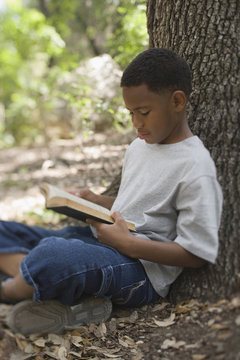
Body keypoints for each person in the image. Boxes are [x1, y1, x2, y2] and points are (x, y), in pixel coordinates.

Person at [0, 48, 223, 335]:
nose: (136, 123)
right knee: (14, 234)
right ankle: (54, 292)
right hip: (102, 243)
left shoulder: (195, 167)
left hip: (139, 270)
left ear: (177, 101)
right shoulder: (140, 146)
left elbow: (197, 252)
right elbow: (138, 202)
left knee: (53, 255)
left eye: (144, 113)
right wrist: (95, 201)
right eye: (131, 113)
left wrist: (129, 245)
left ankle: (10, 290)